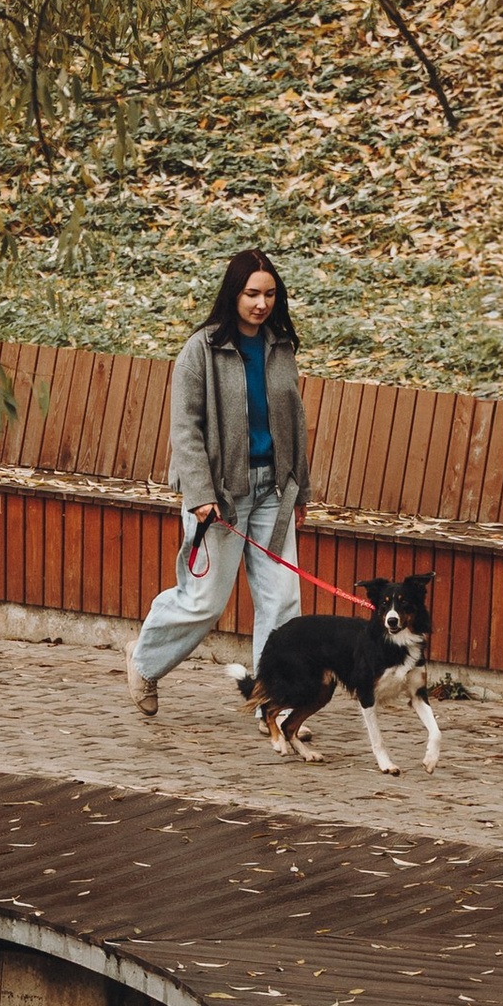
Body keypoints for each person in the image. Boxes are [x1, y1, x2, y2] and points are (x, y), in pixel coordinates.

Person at [126, 247, 310, 716]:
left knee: (284, 600)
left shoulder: (280, 346)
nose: (261, 303)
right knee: (204, 602)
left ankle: (276, 701)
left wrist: (300, 492)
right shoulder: (201, 350)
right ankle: (145, 661)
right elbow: (184, 428)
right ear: (234, 293)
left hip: (274, 491)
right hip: (222, 495)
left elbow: (294, 423)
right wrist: (201, 494)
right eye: (252, 293)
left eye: (270, 294)